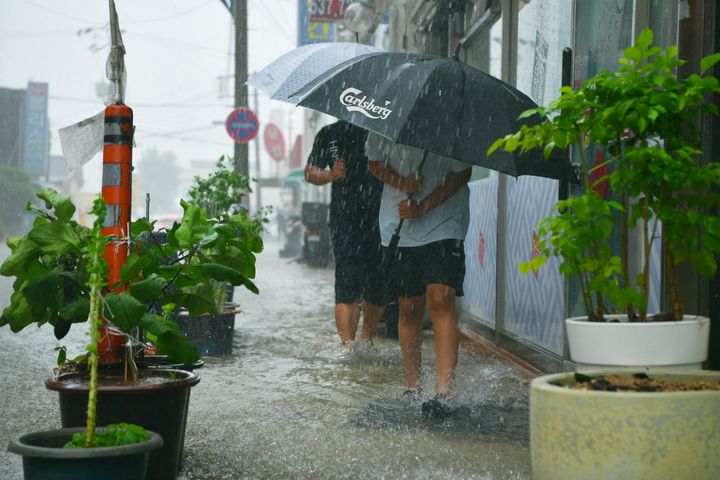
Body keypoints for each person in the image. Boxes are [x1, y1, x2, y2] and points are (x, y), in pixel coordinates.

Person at [366, 132, 471, 418]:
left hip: (446, 223)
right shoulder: (385, 119)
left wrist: (424, 206)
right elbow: (373, 162)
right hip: (398, 227)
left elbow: (462, 173)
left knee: (441, 299)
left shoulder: (451, 124)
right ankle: (414, 387)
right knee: (409, 307)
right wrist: (402, 183)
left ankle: (444, 392)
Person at [304, 120, 389, 348]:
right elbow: (310, 172)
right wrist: (331, 175)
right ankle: (348, 346)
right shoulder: (329, 133)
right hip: (344, 218)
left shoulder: (383, 130)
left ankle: (367, 336)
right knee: (346, 282)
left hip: (382, 216)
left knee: (378, 282)